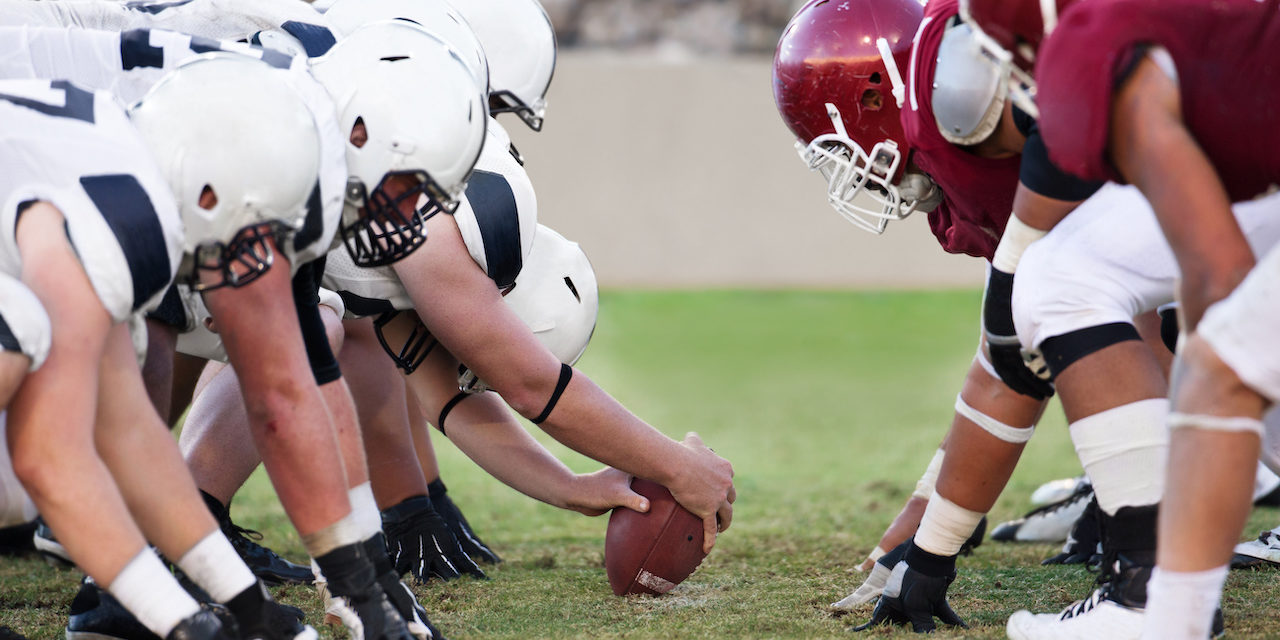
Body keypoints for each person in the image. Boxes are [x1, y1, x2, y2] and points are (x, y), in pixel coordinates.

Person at [961, 1, 1280, 637]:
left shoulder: (1091, 42)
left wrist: (1199, 399)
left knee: (1221, 367)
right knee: (1064, 274)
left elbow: (1219, 277)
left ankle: (1159, 613)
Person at [0, 55, 328, 639]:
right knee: (18, 354)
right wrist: (183, 624)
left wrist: (248, 610)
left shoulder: (120, 168)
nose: (256, 254)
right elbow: (50, 461)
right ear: (206, 193)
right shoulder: (122, 218)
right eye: (255, 227)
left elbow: (135, 440)